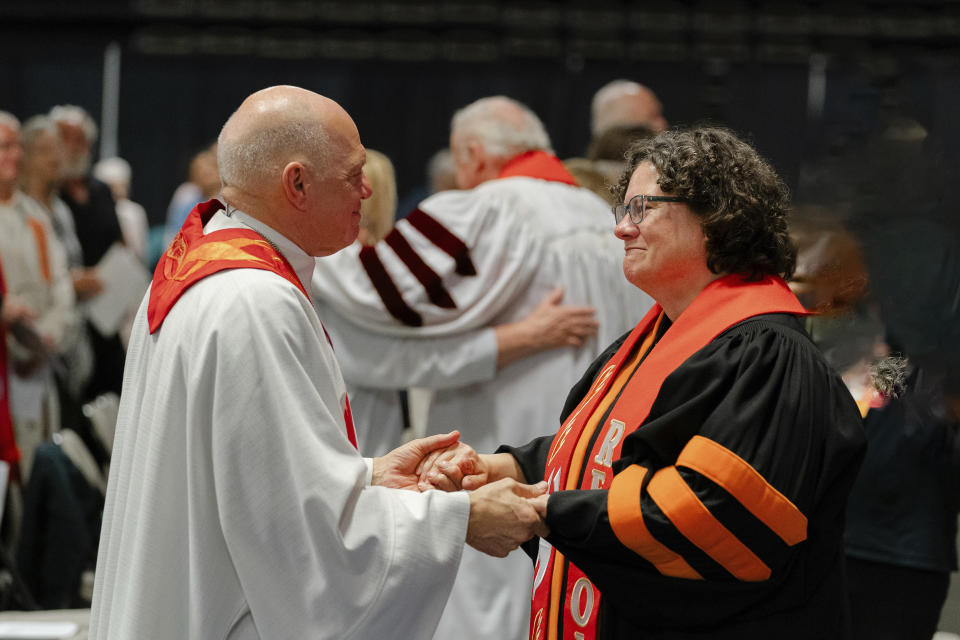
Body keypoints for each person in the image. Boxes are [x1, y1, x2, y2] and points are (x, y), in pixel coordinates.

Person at [89, 85, 551, 640]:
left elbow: (244, 481)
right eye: (354, 172)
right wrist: (462, 520)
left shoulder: (208, 267)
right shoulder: (254, 302)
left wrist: (368, 475)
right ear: (298, 183)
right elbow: (300, 543)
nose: (369, 187)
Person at [422, 127, 867, 639]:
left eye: (642, 208)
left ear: (716, 215)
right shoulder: (648, 339)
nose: (621, 230)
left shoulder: (770, 357)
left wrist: (542, 512)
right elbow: (614, 452)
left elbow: (713, 518)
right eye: (623, 210)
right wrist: (501, 467)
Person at [313, 95, 651, 640]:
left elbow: (370, 288)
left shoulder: (485, 211)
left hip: (498, 450)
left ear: (472, 153)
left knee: (486, 608)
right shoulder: (604, 221)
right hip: (589, 452)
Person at [0, 113, 75, 481]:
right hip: (5, 362)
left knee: (39, 474)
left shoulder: (34, 216)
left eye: (16, 147)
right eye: (4, 147)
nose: (14, 156)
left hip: (39, 362)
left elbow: (60, 284)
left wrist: (47, 336)